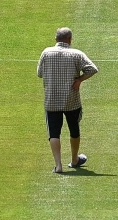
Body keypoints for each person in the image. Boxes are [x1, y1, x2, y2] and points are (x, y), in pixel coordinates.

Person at [37, 27, 99, 173]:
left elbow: (39, 73)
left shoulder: (46, 53)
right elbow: (92, 69)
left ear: (55, 39)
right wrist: (79, 80)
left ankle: (58, 166)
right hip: (71, 100)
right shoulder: (76, 54)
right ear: (70, 39)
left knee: (54, 133)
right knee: (74, 129)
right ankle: (74, 159)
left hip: (51, 99)